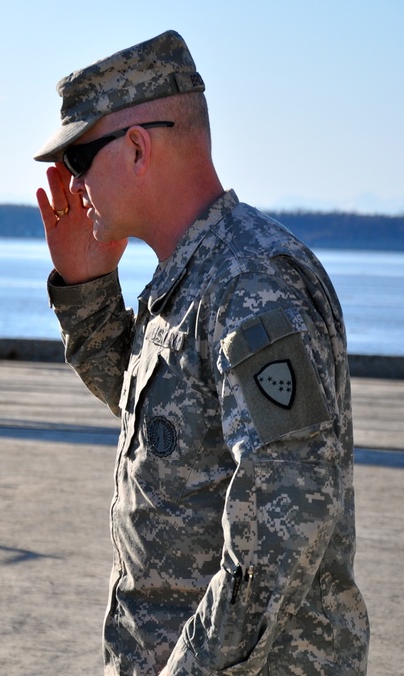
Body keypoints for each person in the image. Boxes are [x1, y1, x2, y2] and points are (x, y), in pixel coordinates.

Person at [33, 30, 368, 674]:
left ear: (136, 147)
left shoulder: (251, 281)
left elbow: (285, 523)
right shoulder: (190, 278)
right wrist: (86, 287)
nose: (69, 183)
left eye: (79, 160)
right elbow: (163, 428)